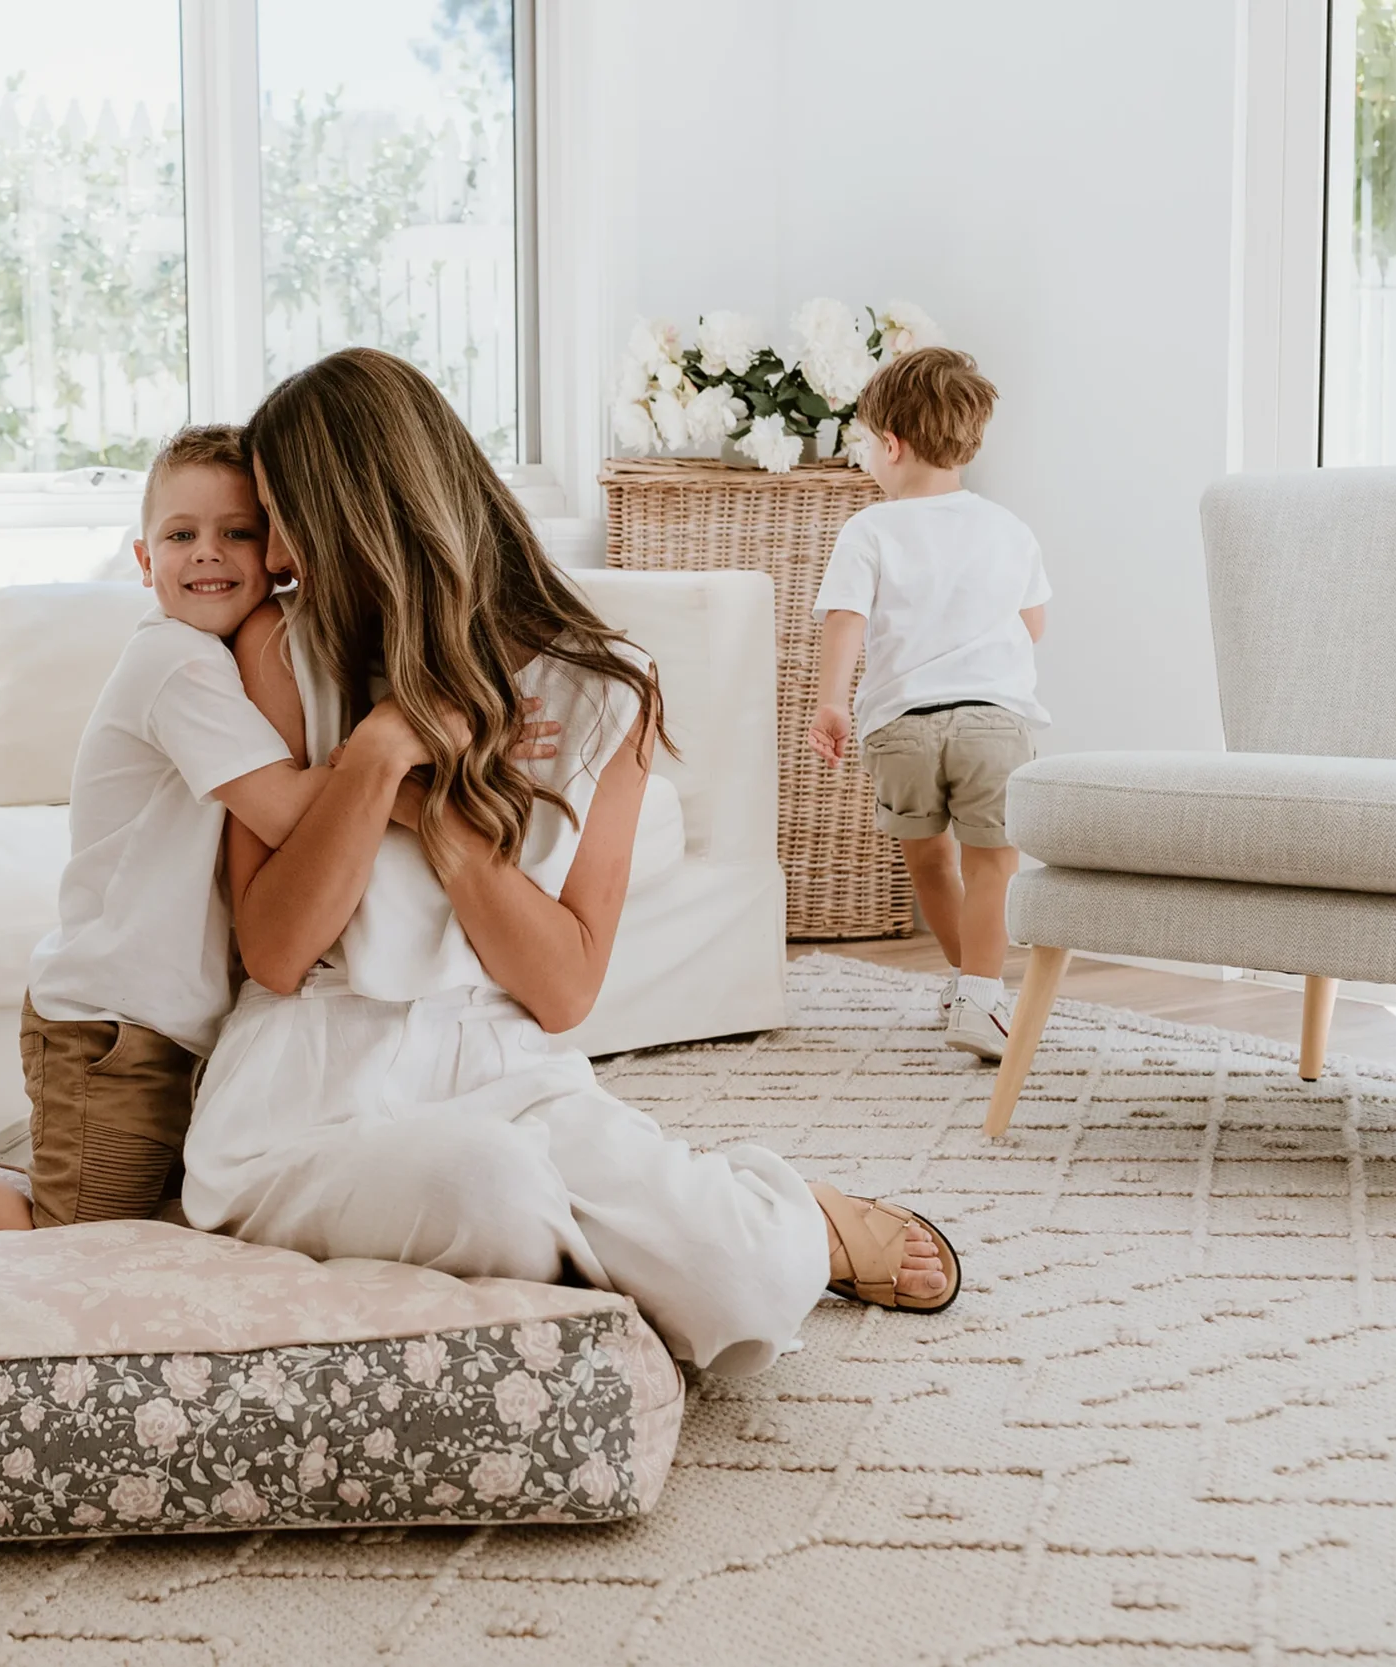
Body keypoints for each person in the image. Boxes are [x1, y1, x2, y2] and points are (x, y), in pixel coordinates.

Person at [176, 348, 956, 1381]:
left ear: (361, 511)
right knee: (486, 1186)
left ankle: (782, 1211)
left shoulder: (607, 687)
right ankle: (585, 1268)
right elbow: (274, 953)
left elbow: (561, 987)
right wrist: (376, 750)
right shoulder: (281, 646)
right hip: (313, 1092)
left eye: (282, 516)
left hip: (511, 1070)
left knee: (749, 1281)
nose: (270, 554)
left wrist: (437, 814)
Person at [0, 424, 553, 1248]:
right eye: (181, 535)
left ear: (280, 552)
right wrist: (429, 760)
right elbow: (293, 812)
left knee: (149, 1199)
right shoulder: (176, 666)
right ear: (143, 560)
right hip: (114, 1020)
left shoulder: (225, 661)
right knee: (75, 1231)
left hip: (169, 1018)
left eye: (238, 532)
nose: (208, 554)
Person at [805, 348, 1050, 1061]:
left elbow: (844, 618)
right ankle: (979, 992)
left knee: (929, 861)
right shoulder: (1008, 528)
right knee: (993, 863)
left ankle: (963, 985)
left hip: (901, 727)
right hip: (993, 723)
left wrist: (832, 704)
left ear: (891, 444)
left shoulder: (870, 530)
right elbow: (1033, 626)